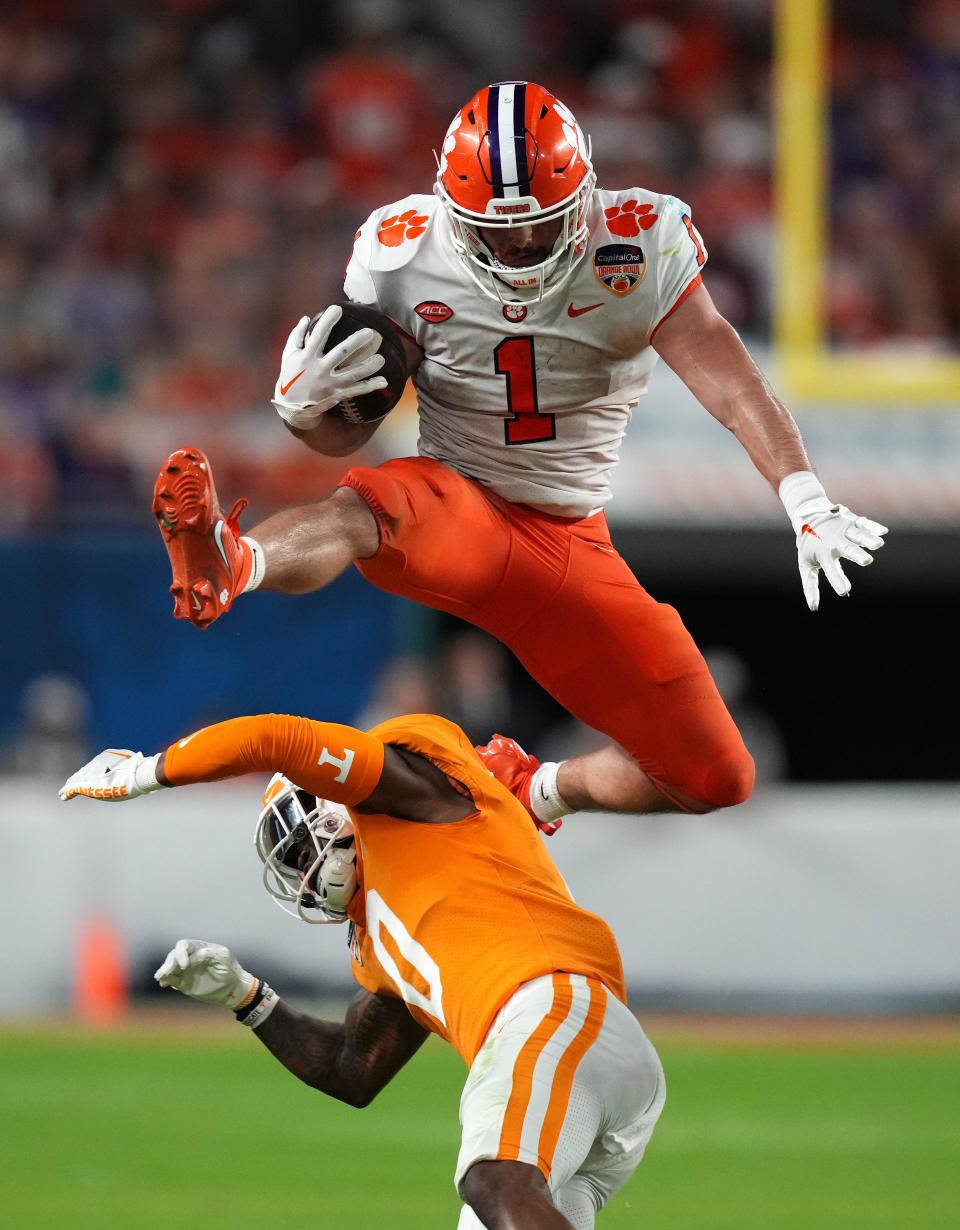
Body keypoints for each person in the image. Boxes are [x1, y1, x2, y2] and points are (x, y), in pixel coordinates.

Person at [151, 80, 887, 833]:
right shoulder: (401, 249)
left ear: (584, 195)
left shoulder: (639, 240)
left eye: (541, 225)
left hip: (570, 543)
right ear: (452, 210)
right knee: (364, 508)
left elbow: (732, 383)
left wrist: (803, 497)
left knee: (716, 775)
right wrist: (306, 413)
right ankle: (230, 564)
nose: (523, 246)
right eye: (499, 232)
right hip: (457, 500)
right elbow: (348, 432)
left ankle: (534, 788)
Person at [59, 714, 854, 1230]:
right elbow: (350, 1071)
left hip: (554, 1005)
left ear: (339, 802)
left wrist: (150, 771)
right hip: (569, 1062)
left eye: (303, 842)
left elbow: (275, 738)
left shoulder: (421, 788)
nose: (303, 868)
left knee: (492, 1176)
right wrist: (245, 996)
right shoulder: (379, 940)